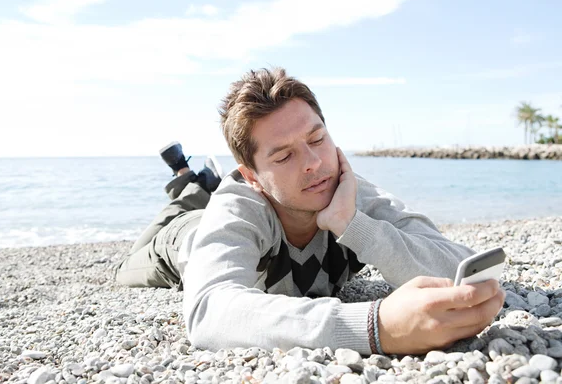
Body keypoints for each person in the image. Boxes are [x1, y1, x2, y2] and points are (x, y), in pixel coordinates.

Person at [115, 67, 505, 355]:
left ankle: (200, 179)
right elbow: (208, 314)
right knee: (156, 236)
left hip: (257, 200)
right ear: (250, 174)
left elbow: (457, 265)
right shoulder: (238, 208)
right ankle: (187, 180)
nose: (314, 163)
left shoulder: (346, 188)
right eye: (284, 155)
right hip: (184, 236)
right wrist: (377, 327)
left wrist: (352, 225)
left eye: (317, 139)